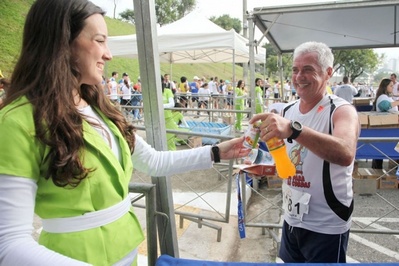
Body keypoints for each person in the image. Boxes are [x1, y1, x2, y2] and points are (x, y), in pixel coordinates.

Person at [0, 1, 251, 265]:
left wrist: (217, 151)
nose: (108, 54)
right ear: (63, 43)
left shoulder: (98, 106)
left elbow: (153, 161)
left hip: (128, 255)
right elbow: (9, 244)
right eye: (99, 40)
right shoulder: (16, 122)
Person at [250, 41, 359, 263]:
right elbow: (286, 158)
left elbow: (346, 153)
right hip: (291, 217)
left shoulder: (341, 110)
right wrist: (254, 155)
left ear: (328, 73)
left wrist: (293, 129)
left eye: (308, 70)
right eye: (295, 69)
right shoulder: (286, 110)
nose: (299, 76)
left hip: (327, 223)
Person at [371, 78, 399, 169]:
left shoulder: (387, 97)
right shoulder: (382, 97)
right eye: (390, 86)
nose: (392, 87)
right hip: (385, 130)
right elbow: (384, 106)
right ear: (385, 87)